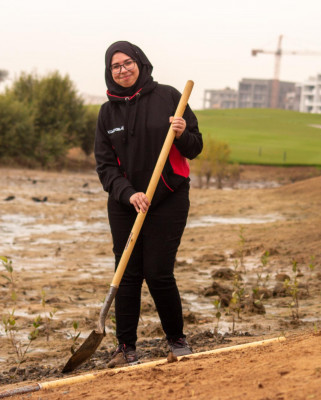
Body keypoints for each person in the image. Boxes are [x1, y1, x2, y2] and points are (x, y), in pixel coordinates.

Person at [94, 41, 203, 368]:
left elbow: (195, 147)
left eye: (128, 63)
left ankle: (177, 340)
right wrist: (129, 193)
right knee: (126, 272)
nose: (123, 69)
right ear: (109, 72)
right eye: (116, 66)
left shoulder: (169, 97)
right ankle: (125, 348)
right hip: (125, 202)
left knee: (158, 272)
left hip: (168, 197)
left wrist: (182, 133)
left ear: (140, 63)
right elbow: (105, 166)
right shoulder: (107, 112)